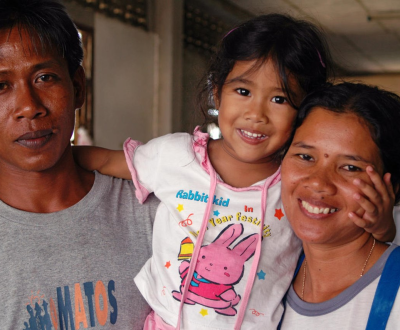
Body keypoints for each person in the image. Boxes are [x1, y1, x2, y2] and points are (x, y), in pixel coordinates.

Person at [74, 15, 395, 329]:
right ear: (218, 92)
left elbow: (351, 235)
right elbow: (102, 161)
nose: (256, 114)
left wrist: (382, 227)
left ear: (301, 117)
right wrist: (36, 162)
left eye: (280, 99)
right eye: (243, 91)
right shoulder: (174, 156)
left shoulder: (295, 185)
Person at [0, 0, 159, 328]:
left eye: (45, 77)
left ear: (77, 87)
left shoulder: (149, 210)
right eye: (1, 86)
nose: (29, 107)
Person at [280, 82, 400, 329]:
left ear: (392, 188)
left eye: (350, 167)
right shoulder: (264, 278)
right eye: (305, 157)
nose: (318, 182)